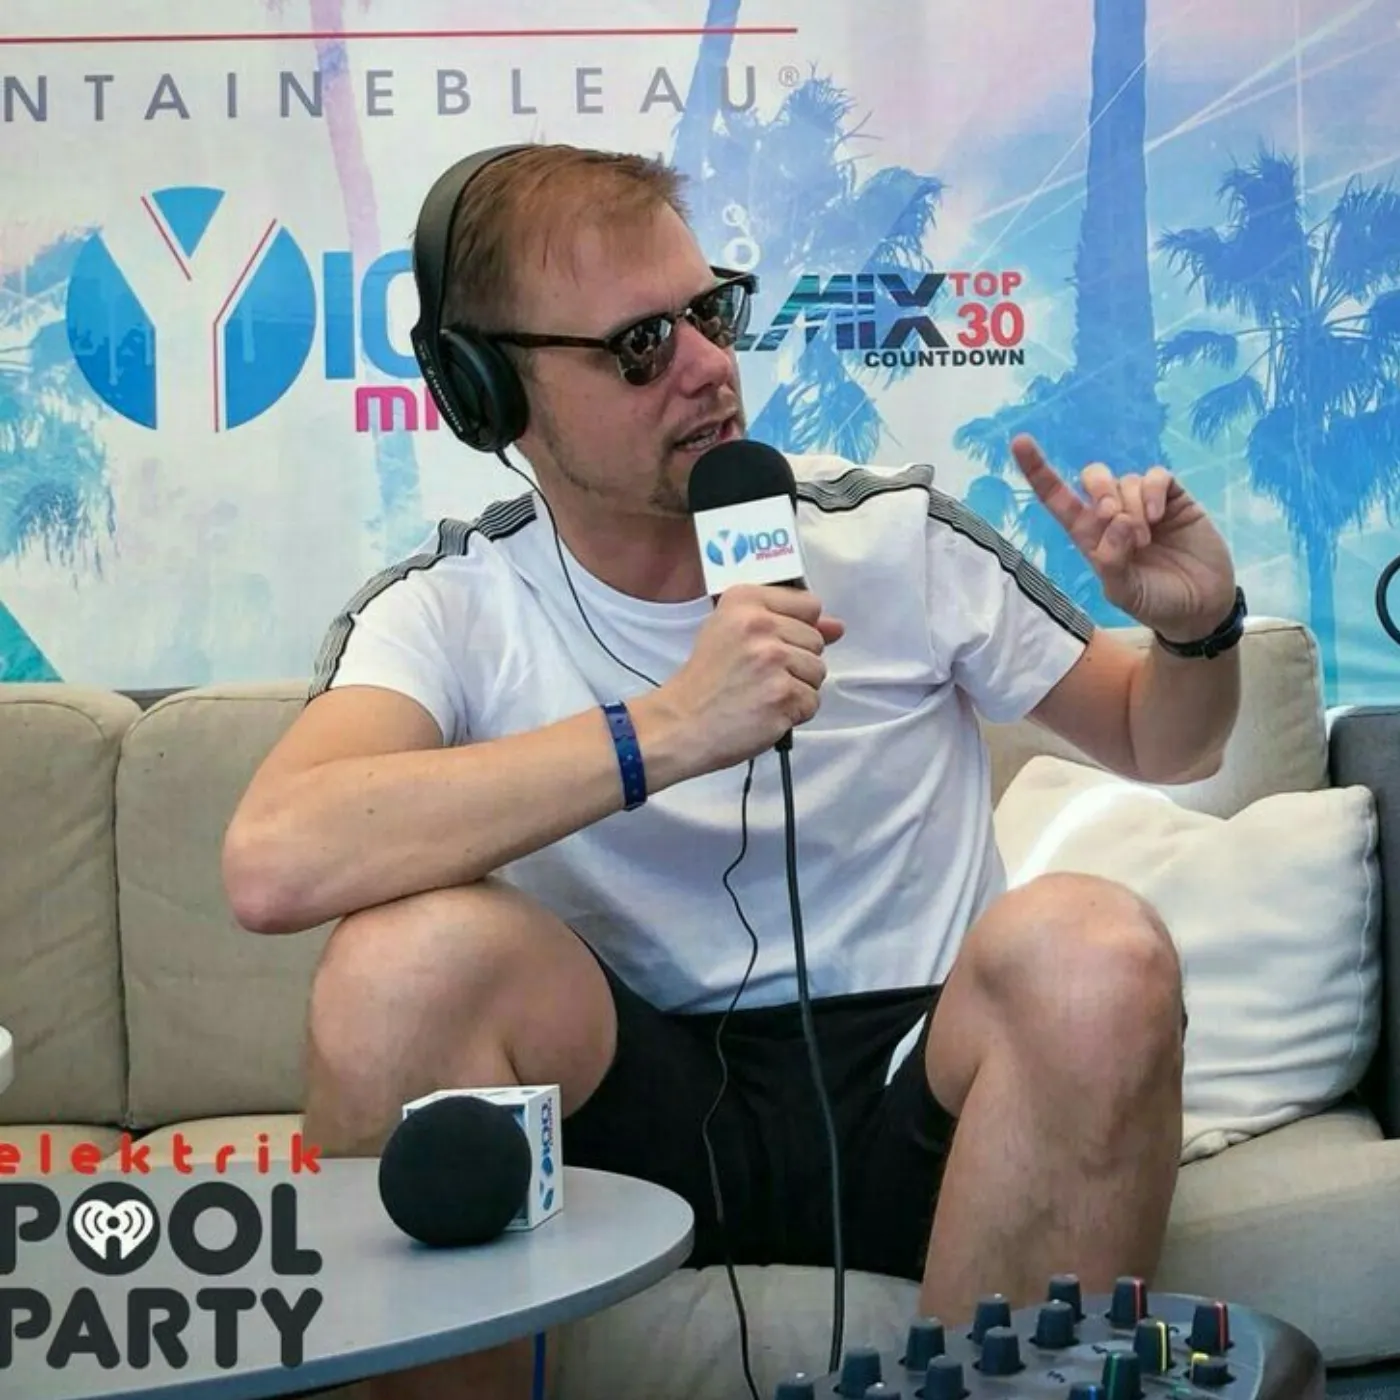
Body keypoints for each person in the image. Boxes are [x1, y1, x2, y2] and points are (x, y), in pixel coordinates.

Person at [222, 142, 1243, 1400]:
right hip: (622, 1119)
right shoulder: (449, 604)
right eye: (640, 345)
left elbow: (1163, 739)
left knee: (1096, 950)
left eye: (709, 312)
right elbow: (275, 858)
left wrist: (1197, 632)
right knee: (400, 964)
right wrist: (664, 729)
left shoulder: (888, 534)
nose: (708, 366)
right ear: (489, 392)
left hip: (909, 1089)